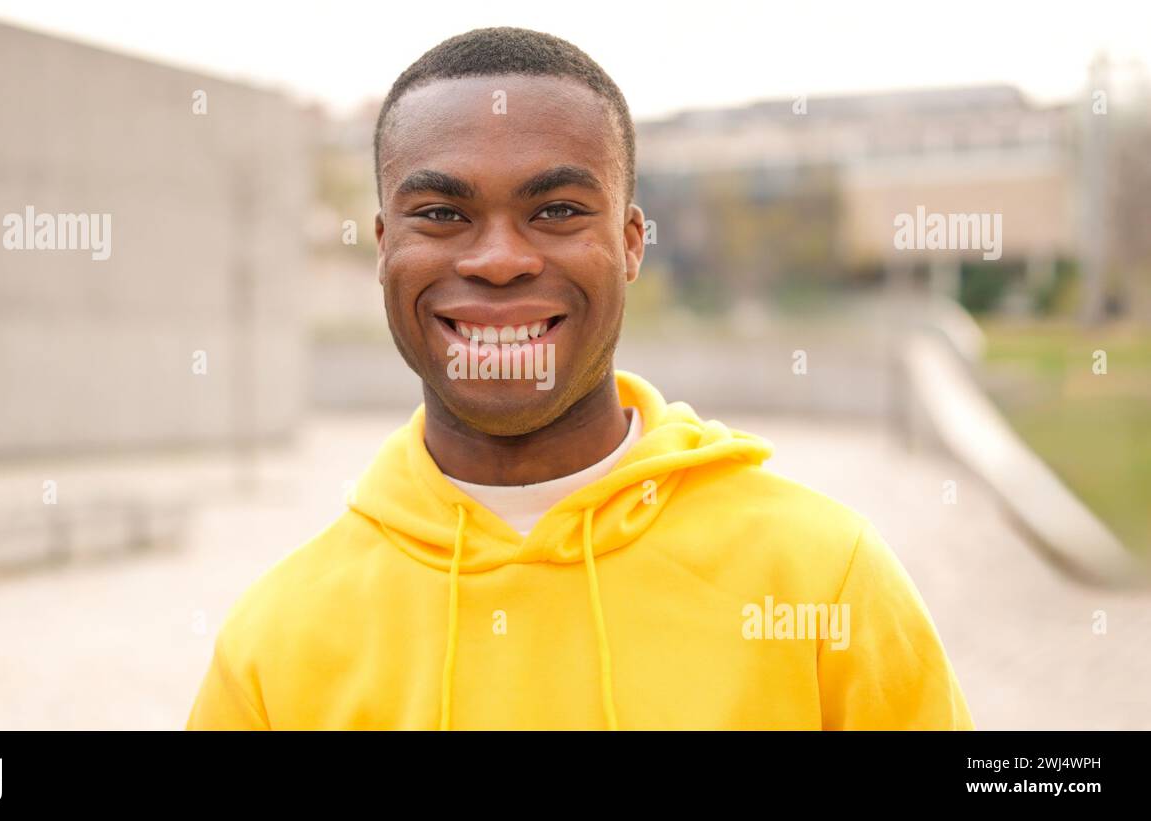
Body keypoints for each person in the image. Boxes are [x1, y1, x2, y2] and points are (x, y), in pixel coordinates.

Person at [186, 26, 974, 730]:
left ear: (632, 242)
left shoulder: (822, 580)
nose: (498, 260)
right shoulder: (275, 644)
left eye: (557, 211)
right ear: (385, 245)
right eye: (441, 213)